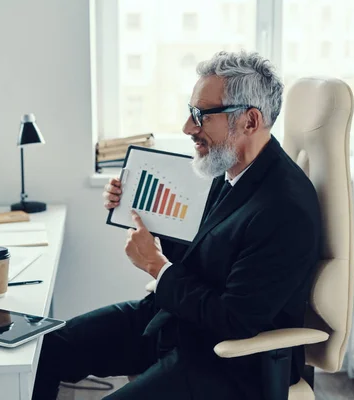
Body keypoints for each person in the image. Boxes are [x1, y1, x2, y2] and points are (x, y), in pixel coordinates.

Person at [32, 50, 322, 400]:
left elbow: (235, 319)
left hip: (231, 363)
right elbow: (206, 253)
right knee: (46, 351)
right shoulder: (231, 169)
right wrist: (135, 213)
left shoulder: (284, 208)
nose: (188, 128)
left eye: (201, 116)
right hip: (179, 323)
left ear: (249, 121)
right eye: (190, 112)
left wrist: (157, 266)